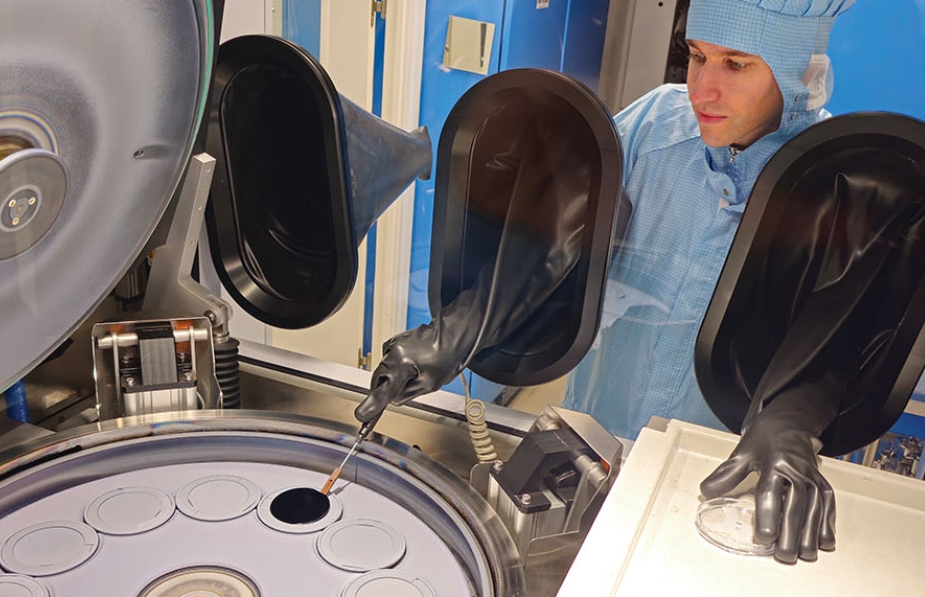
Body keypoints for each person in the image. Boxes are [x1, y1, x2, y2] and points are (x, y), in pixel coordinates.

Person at [356, 0, 856, 564]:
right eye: (696, 56)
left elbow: (840, 336)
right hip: (591, 440)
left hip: (718, 487)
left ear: (794, 70)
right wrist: (457, 331)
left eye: (736, 64)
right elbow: (561, 240)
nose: (702, 90)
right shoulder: (655, 124)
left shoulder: (838, 180)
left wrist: (796, 419)